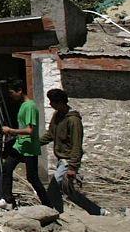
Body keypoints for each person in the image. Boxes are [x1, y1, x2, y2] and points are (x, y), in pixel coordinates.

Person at [44, 88, 104, 216]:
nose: (50, 104)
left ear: (60, 102)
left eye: (52, 102)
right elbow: (50, 134)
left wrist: (73, 166)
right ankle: (97, 211)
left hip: (68, 162)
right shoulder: (57, 116)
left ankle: (56, 213)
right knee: (69, 192)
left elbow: (76, 145)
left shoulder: (73, 120)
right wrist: (34, 143)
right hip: (61, 160)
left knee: (53, 188)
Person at [0, 80, 54, 208]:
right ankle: (7, 200)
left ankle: (48, 205)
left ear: (19, 90)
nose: (11, 96)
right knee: (7, 169)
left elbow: (30, 130)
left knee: (32, 177)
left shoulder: (29, 106)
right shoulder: (23, 105)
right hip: (20, 146)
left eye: (12, 92)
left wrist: (11, 130)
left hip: (28, 147)